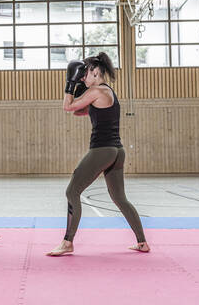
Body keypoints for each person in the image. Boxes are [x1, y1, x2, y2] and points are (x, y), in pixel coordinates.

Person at [47, 53, 150, 256]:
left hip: (102, 150)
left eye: (85, 73)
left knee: (72, 192)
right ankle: (142, 242)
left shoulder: (97, 91)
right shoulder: (107, 92)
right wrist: (80, 90)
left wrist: (70, 85)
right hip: (117, 151)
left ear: (96, 72)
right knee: (120, 198)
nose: (83, 77)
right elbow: (79, 111)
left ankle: (68, 243)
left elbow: (67, 107)